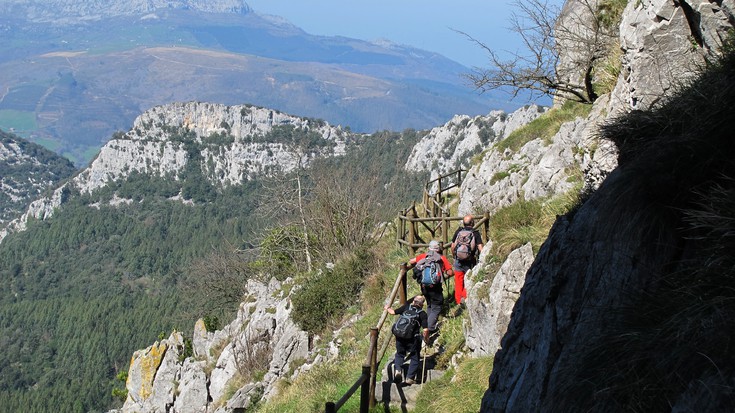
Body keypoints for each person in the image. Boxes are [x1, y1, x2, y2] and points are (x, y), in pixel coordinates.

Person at [407, 240, 453, 336]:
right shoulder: (441, 258)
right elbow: (450, 272)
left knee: (429, 305)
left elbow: (411, 261)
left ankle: (425, 327)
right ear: (438, 249)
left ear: (429, 248)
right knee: (437, 306)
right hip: (435, 287)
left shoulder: (424, 256)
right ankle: (429, 328)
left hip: (424, 287)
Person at [384, 295, 429, 385]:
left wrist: (387, 308)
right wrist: (426, 339)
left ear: (413, 301)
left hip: (400, 336)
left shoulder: (406, 307)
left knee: (400, 354)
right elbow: (425, 330)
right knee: (414, 357)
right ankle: (409, 378)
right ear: (422, 304)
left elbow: (393, 312)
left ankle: (398, 370)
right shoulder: (422, 314)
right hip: (413, 339)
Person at [450, 215, 484, 307]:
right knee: (469, 279)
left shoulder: (458, 232)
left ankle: (458, 301)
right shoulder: (475, 233)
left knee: (458, 281)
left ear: (463, 223)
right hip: (470, 260)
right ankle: (464, 298)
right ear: (472, 223)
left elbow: (452, 246)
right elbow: (481, 248)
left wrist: (454, 256)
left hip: (458, 260)